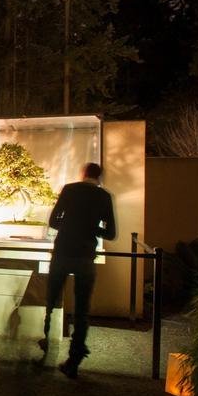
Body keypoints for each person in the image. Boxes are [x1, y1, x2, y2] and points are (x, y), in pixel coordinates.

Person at [41, 162, 116, 378]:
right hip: (85, 257)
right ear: (99, 177)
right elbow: (110, 233)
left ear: (82, 174)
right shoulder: (104, 197)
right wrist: (90, 227)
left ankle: (45, 346)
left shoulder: (70, 190)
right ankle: (74, 361)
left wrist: (71, 224)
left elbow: (54, 221)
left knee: (51, 301)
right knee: (82, 311)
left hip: (63, 253)